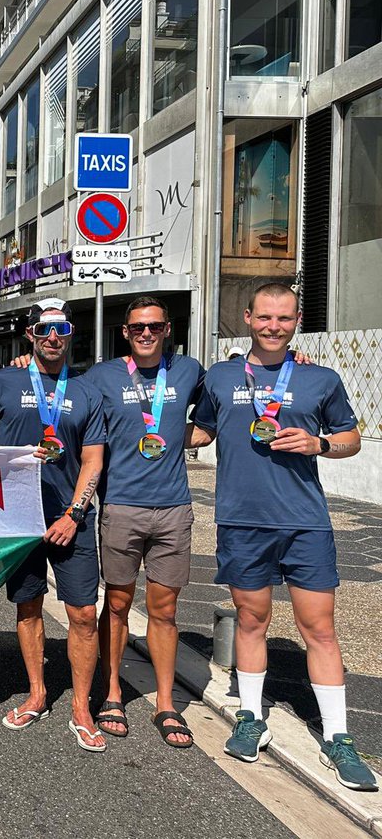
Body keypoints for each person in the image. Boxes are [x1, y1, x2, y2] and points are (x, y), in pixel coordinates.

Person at [190, 283, 376, 790]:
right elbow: (201, 431)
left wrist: (319, 443)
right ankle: (251, 716)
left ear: (297, 321)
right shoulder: (221, 376)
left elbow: (351, 439)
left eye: (285, 319)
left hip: (304, 521)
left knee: (319, 628)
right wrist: (131, 433)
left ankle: (338, 736)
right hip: (240, 520)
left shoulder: (321, 378)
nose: (274, 326)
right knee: (252, 621)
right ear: (247, 318)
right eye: (265, 317)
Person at [78, 297, 204, 749]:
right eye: (136, 328)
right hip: (121, 507)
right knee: (116, 604)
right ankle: (112, 692)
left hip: (173, 508)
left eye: (153, 326)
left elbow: (211, 418)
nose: (145, 333)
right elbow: (64, 404)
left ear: (167, 329)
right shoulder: (102, 375)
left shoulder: (189, 370)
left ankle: (165, 703)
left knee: (165, 610)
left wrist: (180, 436)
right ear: (125, 333)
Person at [0, 299, 107, 752]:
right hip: (19, 516)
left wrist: (74, 515)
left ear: (71, 333)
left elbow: (93, 458)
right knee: (28, 608)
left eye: (61, 329)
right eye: (43, 329)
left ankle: (80, 706)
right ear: (30, 334)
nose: (52, 337)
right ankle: (37, 693)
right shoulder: (3, 380)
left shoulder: (88, 390)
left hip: (69, 517)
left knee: (82, 614)